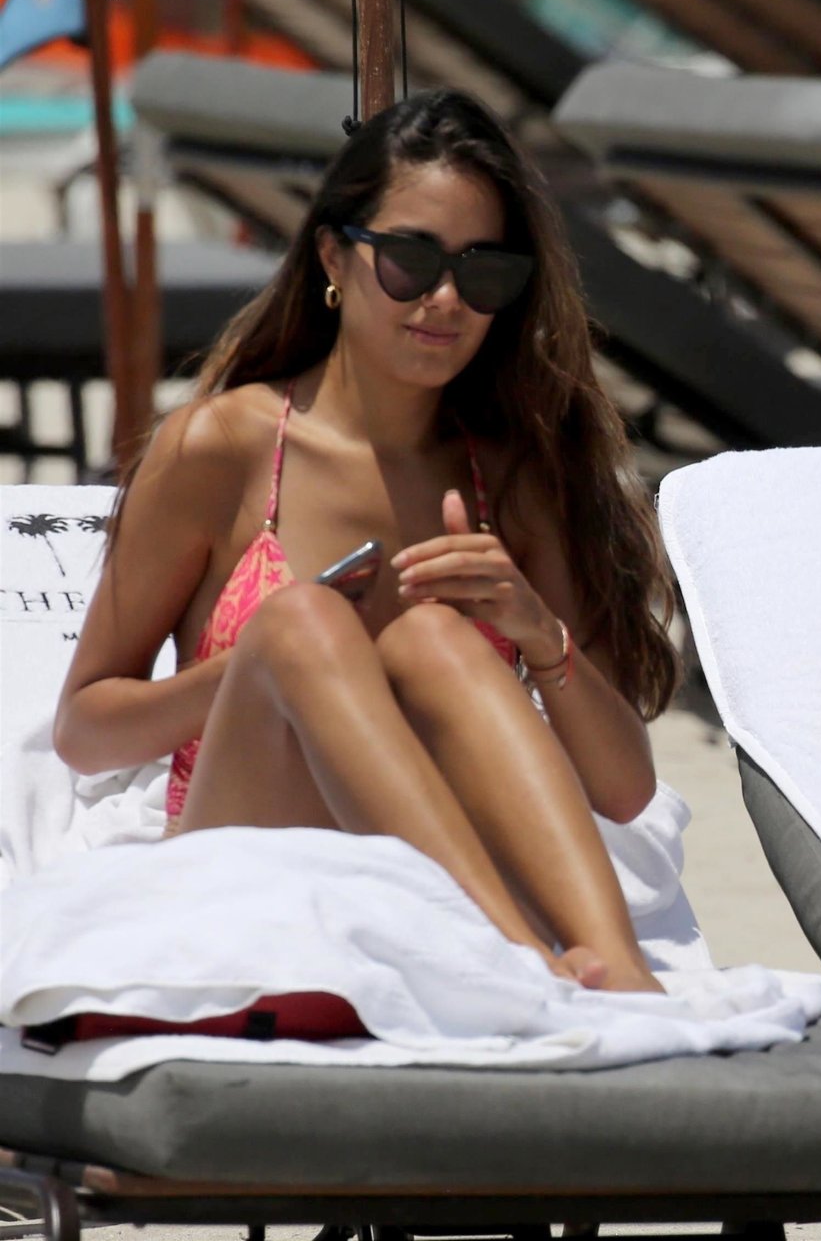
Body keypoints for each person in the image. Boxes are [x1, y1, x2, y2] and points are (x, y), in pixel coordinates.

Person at [54, 88, 677, 995]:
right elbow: (83, 730)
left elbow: (624, 791)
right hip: (253, 862)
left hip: (442, 880)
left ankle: (618, 974)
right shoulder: (222, 448)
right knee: (301, 623)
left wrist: (539, 635)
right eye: (410, 261)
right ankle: (524, 969)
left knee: (435, 640)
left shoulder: (510, 476)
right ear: (333, 256)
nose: (445, 299)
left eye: (484, 272)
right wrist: (266, 666)